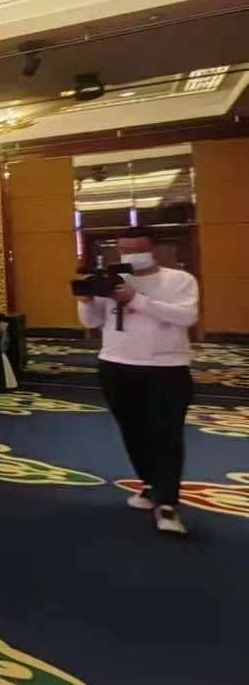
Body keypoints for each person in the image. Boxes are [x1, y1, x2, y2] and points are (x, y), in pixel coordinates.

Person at [80, 226, 198, 536]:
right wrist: (86, 300)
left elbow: (186, 317)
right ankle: (150, 483)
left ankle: (168, 503)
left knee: (166, 434)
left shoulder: (179, 280)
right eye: (125, 250)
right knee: (132, 431)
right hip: (115, 364)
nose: (131, 255)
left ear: (153, 249)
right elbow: (92, 322)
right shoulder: (111, 280)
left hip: (166, 367)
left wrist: (136, 299)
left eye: (138, 249)